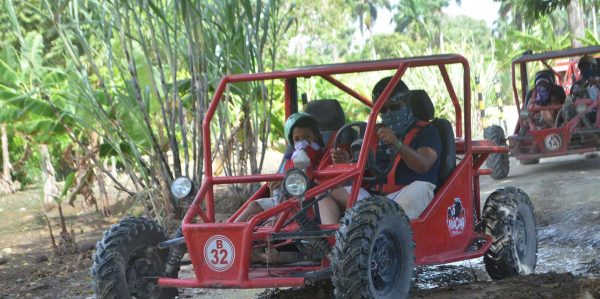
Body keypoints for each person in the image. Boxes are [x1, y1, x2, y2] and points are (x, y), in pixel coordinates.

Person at [318, 77, 442, 224]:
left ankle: (385, 228)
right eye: (383, 109)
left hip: (406, 193)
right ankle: (331, 242)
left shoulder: (427, 131)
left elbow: (424, 165)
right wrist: (347, 164)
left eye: (395, 107)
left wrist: (398, 144)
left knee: (422, 187)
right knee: (323, 194)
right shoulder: (374, 133)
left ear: (407, 103)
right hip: (373, 198)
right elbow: (363, 175)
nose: (389, 113)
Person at [235, 112, 324, 222]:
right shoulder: (290, 158)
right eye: (297, 139)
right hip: (283, 201)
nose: (303, 142)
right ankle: (229, 234)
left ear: (315, 136)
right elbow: (275, 189)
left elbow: (321, 181)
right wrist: (275, 185)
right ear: (292, 141)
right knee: (254, 205)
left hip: (311, 200)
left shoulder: (323, 155)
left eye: (307, 137)